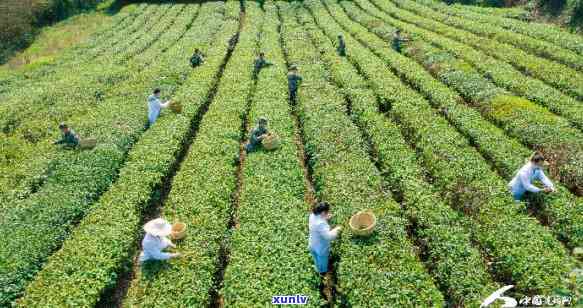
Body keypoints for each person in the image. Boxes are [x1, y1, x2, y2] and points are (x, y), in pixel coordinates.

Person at [308, 202, 341, 276]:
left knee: (316, 260)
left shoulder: (312, 215)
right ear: (323, 212)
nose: (328, 213)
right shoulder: (321, 223)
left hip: (312, 244)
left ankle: (318, 270)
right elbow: (329, 236)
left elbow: (318, 223)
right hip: (320, 248)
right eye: (327, 212)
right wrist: (337, 229)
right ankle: (323, 275)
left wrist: (325, 218)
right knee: (323, 265)